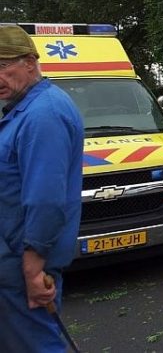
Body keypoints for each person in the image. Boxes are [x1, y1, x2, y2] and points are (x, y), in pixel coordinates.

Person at [0, 25, 84, 352]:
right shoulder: (22, 110)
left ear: (30, 64)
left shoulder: (43, 114)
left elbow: (46, 201)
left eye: (3, 67)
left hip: (23, 270)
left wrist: (33, 271)